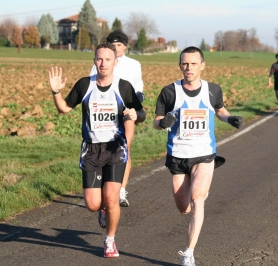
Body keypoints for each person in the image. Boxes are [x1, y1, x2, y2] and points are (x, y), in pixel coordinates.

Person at [48, 43, 146, 258]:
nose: (103, 63)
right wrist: (56, 91)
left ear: (115, 62)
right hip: (91, 150)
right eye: (99, 59)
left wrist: (133, 115)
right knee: (93, 205)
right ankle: (102, 211)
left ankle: (110, 240)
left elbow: (141, 113)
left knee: (112, 199)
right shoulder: (85, 85)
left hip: (115, 148)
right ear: (94, 60)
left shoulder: (124, 86)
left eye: (108, 59)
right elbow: (63, 109)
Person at [153, 46, 242, 266]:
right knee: (184, 207)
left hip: (204, 154)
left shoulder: (212, 90)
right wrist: (163, 123)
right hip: (177, 155)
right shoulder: (169, 92)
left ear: (202, 65)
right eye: (185, 63)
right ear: (179, 65)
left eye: (193, 63)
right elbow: (157, 121)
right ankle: (196, 197)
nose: (188, 68)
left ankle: (189, 253)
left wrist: (230, 119)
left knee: (197, 198)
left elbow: (220, 110)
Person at [90, 30, 144, 207]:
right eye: (113, 45)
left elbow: (138, 89)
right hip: (104, 112)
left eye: (119, 45)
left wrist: (134, 106)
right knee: (103, 148)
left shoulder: (134, 64)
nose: (116, 48)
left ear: (125, 47)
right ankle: (106, 185)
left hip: (126, 112)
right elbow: (91, 87)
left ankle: (121, 190)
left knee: (124, 148)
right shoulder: (101, 62)